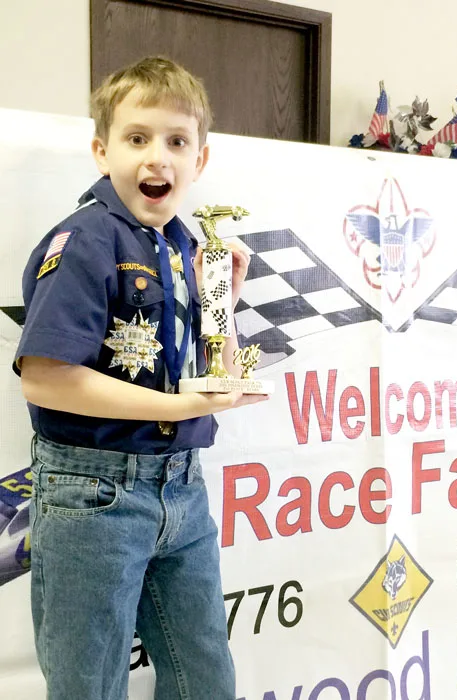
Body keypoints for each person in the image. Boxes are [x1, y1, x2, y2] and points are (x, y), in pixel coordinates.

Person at [14, 56, 266, 700]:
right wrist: (174, 407)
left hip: (181, 489)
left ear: (201, 160)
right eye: (137, 138)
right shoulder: (84, 241)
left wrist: (224, 302)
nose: (158, 158)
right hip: (92, 494)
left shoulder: (185, 243)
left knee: (203, 677)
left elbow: (216, 373)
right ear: (102, 151)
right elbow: (44, 380)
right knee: (89, 686)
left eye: (177, 141)